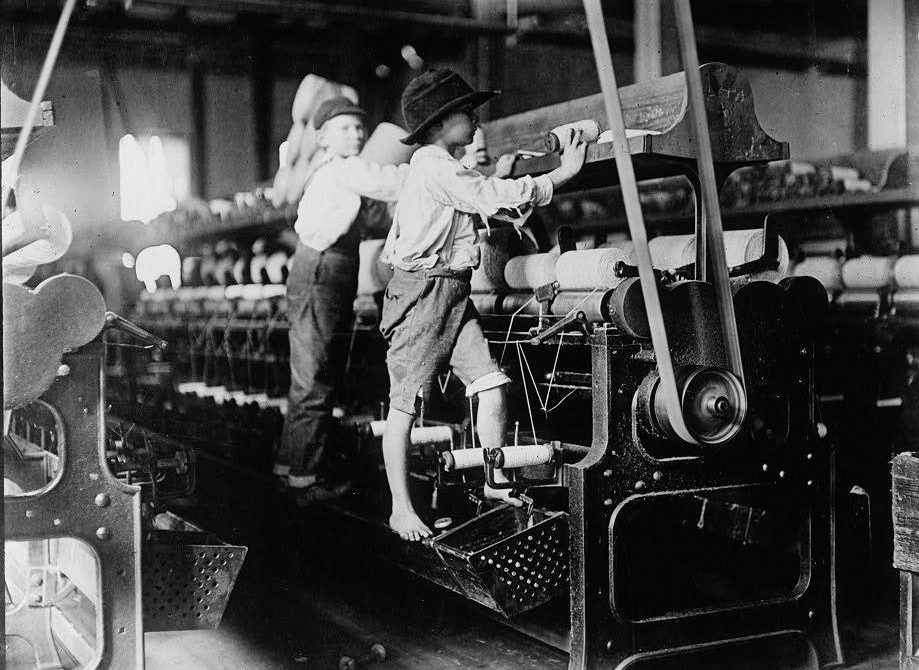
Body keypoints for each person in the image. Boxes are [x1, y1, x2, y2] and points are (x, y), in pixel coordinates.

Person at [379, 69, 587, 541]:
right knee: (404, 408)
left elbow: (492, 198)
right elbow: (491, 196)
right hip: (423, 296)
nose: (475, 119)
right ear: (437, 125)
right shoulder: (435, 165)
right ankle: (399, 509)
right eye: (465, 112)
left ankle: (494, 481)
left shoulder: (446, 166)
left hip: (452, 292)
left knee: (492, 384)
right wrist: (561, 174)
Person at [278, 96, 407, 496]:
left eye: (358, 127)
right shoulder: (344, 168)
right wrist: (437, 168)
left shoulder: (333, 173)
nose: (356, 133)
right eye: (345, 128)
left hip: (326, 267)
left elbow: (372, 218)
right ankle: (306, 480)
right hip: (324, 268)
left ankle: (291, 465)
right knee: (315, 376)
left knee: (311, 372)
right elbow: (392, 183)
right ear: (322, 137)